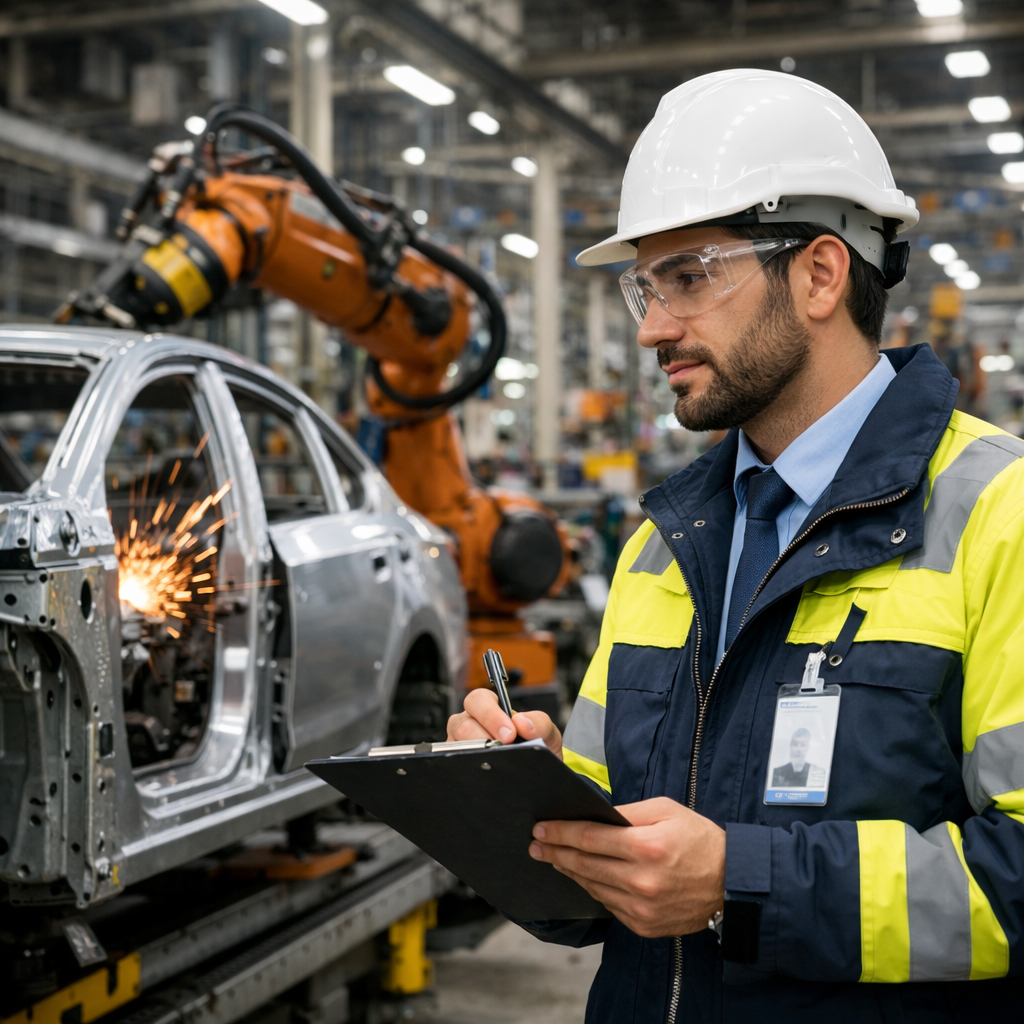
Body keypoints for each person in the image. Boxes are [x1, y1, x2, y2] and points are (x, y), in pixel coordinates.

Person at [448, 68, 1024, 1021]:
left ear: (821, 274)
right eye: (646, 287)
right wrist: (531, 801)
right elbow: (605, 872)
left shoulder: (996, 514)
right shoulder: (663, 545)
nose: (655, 329)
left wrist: (737, 885)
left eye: (690, 277)